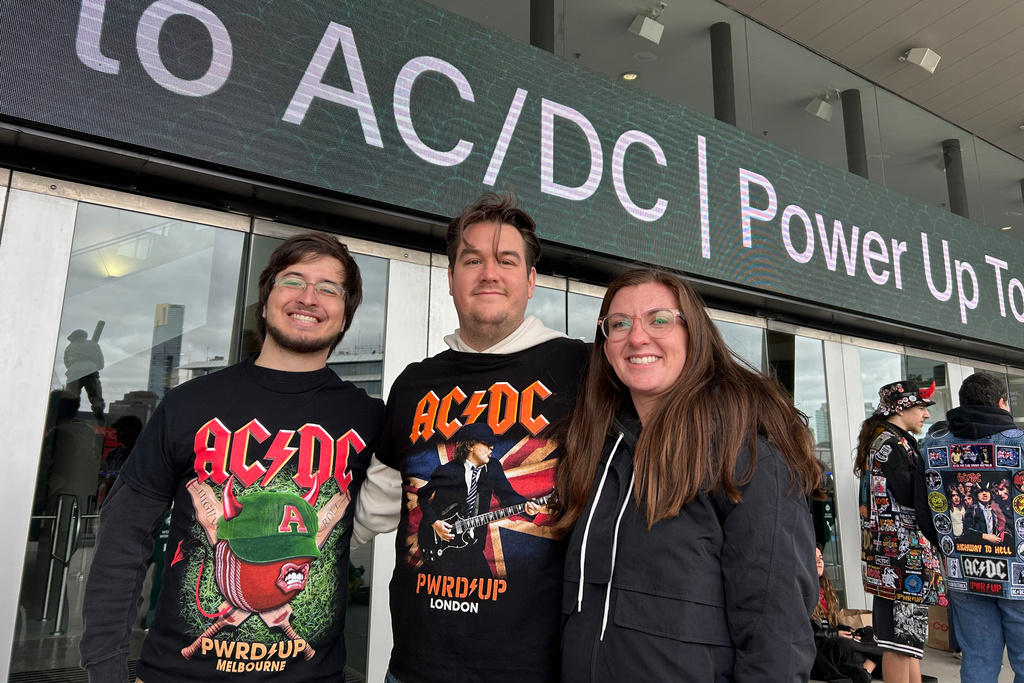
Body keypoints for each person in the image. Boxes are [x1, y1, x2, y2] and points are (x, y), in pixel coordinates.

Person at [80, 233, 386, 683]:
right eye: (293, 280)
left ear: (345, 315)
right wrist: (105, 668)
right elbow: (123, 538)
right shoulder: (188, 404)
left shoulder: (369, 418)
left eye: (328, 288)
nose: (308, 297)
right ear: (265, 301)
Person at [353, 191, 589, 683]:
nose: (489, 273)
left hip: (530, 671)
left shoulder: (582, 369)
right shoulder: (414, 383)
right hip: (415, 669)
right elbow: (373, 509)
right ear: (451, 278)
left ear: (531, 281)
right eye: (472, 260)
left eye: (507, 260)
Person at [556, 268, 821, 682]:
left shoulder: (745, 458)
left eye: (659, 320)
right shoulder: (598, 453)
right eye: (619, 324)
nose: (637, 337)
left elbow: (778, 639)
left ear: (692, 334)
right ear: (605, 345)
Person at [921, 372, 1024, 682]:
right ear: (1002, 403)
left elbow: (925, 512)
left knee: (977, 660)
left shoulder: (932, 446)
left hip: (963, 570)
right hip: (1018, 573)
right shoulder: (1020, 444)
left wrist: (949, 546)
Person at [856, 379, 941, 683]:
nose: (926, 414)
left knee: (908, 642)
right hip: (903, 563)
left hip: (894, 561)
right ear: (901, 408)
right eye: (921, 407)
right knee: (899, 644)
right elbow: (911, 496)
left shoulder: (885, 441)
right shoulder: (892, 446)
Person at [416, 422, 541, 576]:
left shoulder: (493, 467)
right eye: (486, 444)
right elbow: (422, 495)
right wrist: (435, 523)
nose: (491, 448)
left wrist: (526, 506)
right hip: (442, 542)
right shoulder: (447, 470)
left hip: (473, 544)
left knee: (487, 586)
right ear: (470, 445)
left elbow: (508, 496)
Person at [811, 546, 881, 683]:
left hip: (834, 637)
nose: (819, 561)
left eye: (821, 558)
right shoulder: (801, 592)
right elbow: (807, 632)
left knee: (871, 633)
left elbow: (833, 623)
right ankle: (871, 662)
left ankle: (866, 670)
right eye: (814, 558)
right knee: (843, 645)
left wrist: (847, 630)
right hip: (820, 645)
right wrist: (836, 634)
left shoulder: (825, 588)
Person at [64, 328, 106, 421]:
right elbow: (101, 364)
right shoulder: (94, 345)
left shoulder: (69, 347)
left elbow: (66, 363)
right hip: (91, 369)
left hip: (74, 370)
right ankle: (98, 407)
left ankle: (72, 415)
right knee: (95, 395)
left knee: (72, 396)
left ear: (74, 337)